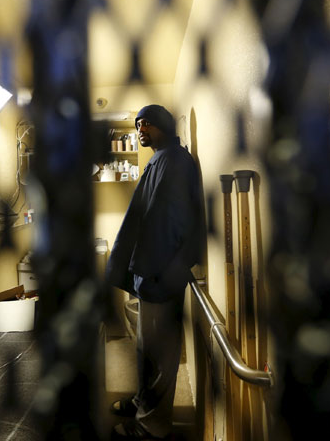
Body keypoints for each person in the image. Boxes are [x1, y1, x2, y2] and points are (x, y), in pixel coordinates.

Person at [105, 104, 205, 440]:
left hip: (160, 276)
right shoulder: (162, 157)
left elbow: (170, 224)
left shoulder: (174, 161)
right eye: (137, 125)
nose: (141, 130)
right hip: (150, 275)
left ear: (163, 124)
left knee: (159, 357)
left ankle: (152, 426)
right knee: (145, 351)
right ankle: (141, 402)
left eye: (147, 123)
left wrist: (153, 271)